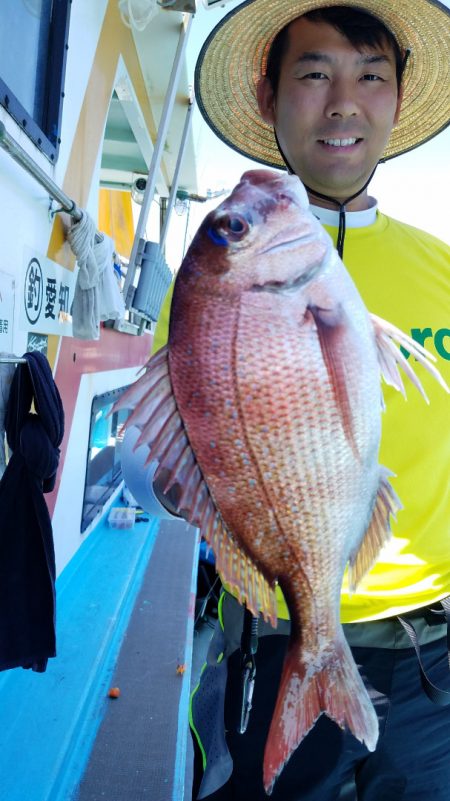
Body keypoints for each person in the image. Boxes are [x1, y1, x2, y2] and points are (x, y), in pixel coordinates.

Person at [144, 2, 450, 799]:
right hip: (273, 641)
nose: (343, 101)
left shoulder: (443, 268)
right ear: (267, 93)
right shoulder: (209, 288)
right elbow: (163, 462)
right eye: (313, 74)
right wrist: (183, 486)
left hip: (435, 659)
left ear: (396, 97)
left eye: (370, 77)